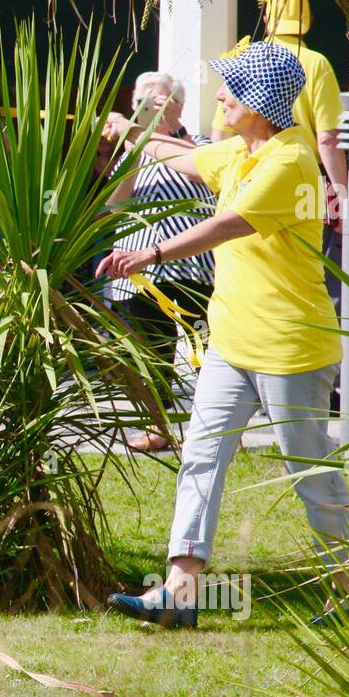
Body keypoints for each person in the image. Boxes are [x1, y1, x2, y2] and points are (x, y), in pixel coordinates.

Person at [98, 42, 349, 628]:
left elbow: (225, 225)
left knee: (309, 472)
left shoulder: (289, 162)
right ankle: (179, 595)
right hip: (231, 345)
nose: (218, 96)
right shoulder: (241, 150)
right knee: (201, 458)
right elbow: (183, 156)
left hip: (289, 348)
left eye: (229, 89)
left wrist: (151, 252)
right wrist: (131, 128)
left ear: (259, 101)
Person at [212, 0, 349, 309]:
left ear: (268, 14)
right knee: (309, 265)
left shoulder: (247, 59)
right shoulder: (316, 63)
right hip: (305, 176)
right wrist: (343, 195)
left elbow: (219, 136)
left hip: (248, 170)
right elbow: (328, 139)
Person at [103, 71, 216, 452]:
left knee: (206, 351)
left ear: (180, 107)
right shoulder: (132, 154)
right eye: (142, 104)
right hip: (141, 271)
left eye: (160, 102)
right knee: (152, 355)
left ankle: (209, 428)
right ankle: (159, 428)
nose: (150, 109)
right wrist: (134, 147)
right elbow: (114, 206)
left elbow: (208, 178)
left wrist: (162, 136)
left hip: (195, 269)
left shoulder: (198, 146)